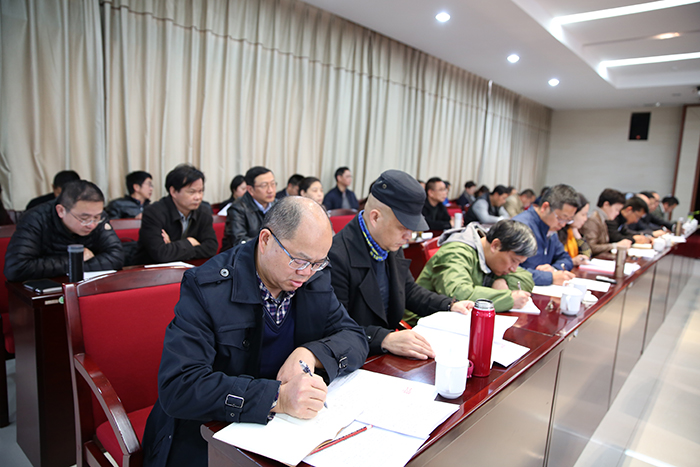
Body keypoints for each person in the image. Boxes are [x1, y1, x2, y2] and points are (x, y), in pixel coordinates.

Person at [141, 197, 368, 467]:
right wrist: (276, 398)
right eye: (299, 260)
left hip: (282, 431)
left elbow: (353, 336)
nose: (307, 273)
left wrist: (310, 353)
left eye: (318, 263)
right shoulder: (208, 288)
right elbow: (180, 386)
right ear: (266, 240)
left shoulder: (314, 278)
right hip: (209, 431)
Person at [327, 170, 473, 360]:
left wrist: (449, 305)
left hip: (386, 355)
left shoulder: (389, 242)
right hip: (357, 358)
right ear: (375, 218)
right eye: (403, 227)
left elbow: (408, 290)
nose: (409, 236)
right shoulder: (336, 255)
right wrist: (384, 339)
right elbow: (335, 327)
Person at [404, 219, 536, 326]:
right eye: (514, 261)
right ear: (495, 245)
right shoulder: (456, 252)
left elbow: (525, 278)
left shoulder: (493, 257)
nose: (514, 269)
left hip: (458, 322)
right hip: (421, 323)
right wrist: (508, 298)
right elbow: (459, 294)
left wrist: (501, 281)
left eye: (519, 263)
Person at [4, 180, 124, 282]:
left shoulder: (98, 218)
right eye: (84, 218)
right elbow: (16, 268)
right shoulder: (35, 219)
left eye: (97, 217)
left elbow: (116, 257)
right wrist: (73, 259)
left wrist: (74, 265)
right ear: (61, 211)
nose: (92, 225)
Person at [137, 164, 218, 264]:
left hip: (190, 269)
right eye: (192, 192)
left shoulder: (203, 212)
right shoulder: (154, 212)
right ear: (173, 191)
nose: (198, 197)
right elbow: (161, 254)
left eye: (200, 191)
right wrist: (190, 242)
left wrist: (173, 246)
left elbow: (211, 248)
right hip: (153, 269)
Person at [512, 184, 578, 286]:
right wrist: (548, 277)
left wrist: (554, 269)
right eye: (561, 218)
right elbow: (510, 270)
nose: (563, 224)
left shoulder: (551, 229)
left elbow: (566, 259)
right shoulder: (520, 227)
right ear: (545, 207)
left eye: (568, 220)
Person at [222, 166, 277, 251]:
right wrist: (271, 243)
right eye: (264, 186)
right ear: (250, 190)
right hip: (241, 256)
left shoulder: (279, 205)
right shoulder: (237, 209)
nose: (270, 190)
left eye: (273, 184)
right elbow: (239, 241)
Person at [580, 188, 632, 256]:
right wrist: (615, 245)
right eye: (616, 209)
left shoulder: (601, 219)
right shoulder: (592, 220)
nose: (617, 213)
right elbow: (591, 247)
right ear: (606, 204)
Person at [557, 193, 591, 266]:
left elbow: (587, 255)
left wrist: (577, 234)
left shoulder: (571, 231)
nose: (585, 219)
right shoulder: (557, 232)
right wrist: (572, 261)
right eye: (583, 214)